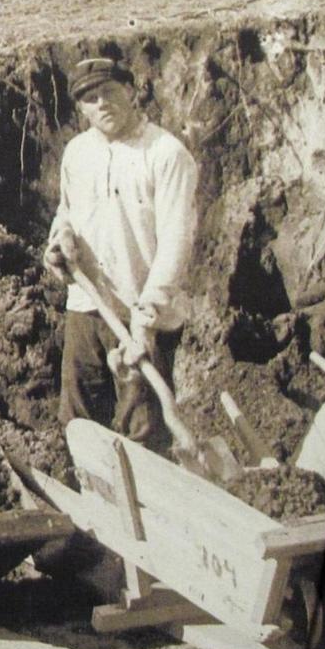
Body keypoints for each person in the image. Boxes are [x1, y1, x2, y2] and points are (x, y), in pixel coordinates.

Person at [42, 57, 199, 452]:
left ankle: (152, 505)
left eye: (109, 92)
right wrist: (59, 240)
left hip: (141, 311)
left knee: (143, 429)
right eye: (90, 98)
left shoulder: (165, 154)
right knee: (79, 422)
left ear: (130, 91)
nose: (102, 104)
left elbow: (176, 240)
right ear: (81, 108)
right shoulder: (78, 153)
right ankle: (94, 506)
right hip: (87, 306)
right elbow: (67, 212)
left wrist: (148, 315)